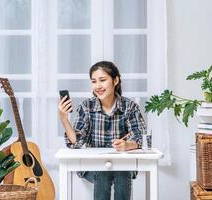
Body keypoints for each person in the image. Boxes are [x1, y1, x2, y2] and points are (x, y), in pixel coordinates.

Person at [58, 61, 146, 200]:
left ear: (115, 80)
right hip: (93, 167)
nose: (97, 86)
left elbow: (141, 136)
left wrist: (128, 145)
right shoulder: (87, 106)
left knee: (122, 171)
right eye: (94, 81)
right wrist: (64, 119)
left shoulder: (129, 106)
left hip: (122, 166)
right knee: (104, 171)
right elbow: (76, 143)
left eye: (103, 80)